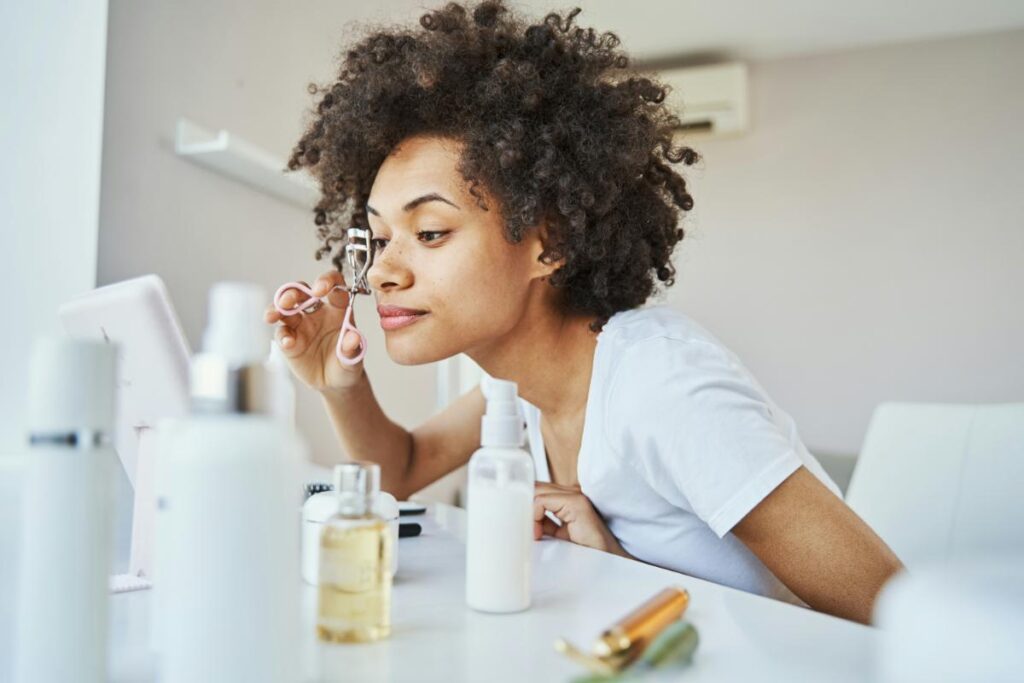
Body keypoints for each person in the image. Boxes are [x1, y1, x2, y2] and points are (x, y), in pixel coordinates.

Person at [266, 0, 903, 624]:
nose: (381, 272)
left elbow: (901, 615)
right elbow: (401, 473)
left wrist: (621, 570)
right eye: (377, 240)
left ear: (552, 245)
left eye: (430, 232)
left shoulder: (659, 385)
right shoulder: (517, 385)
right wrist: (337, 384)